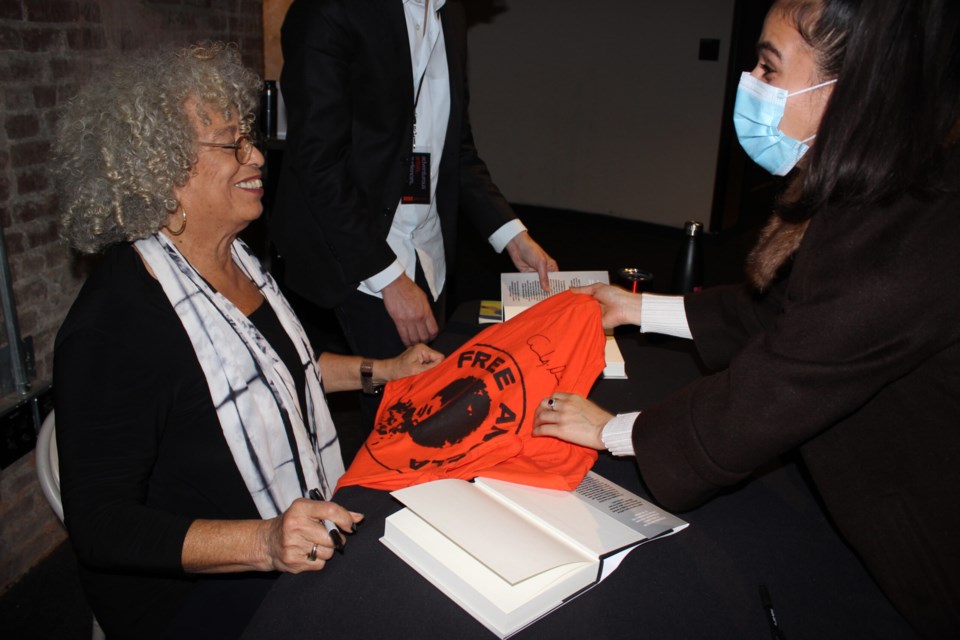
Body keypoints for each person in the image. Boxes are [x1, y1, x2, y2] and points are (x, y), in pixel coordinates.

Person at [533, 0, 960, 636]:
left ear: (852, 90)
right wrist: (637, 307)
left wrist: (619, 432)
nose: (751, 86)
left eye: (768, 68)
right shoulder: (877, 187)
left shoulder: (905, 230)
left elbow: (785, 379)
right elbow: (786, 315)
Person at [52, 43, 442, 639]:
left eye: (249, 140)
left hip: (282, 529)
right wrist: (263, 540)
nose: (257, 154)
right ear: (161, 166)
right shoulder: (114, 324)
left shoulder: (236, 259)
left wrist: (384, 370)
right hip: (191, 595)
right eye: (232, 145)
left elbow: (289, 368)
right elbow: (103, 526)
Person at [271, 0, 557, 361]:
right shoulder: (329, 9)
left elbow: (457, 151)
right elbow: (318, 164)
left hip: (428, 253)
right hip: (356, 256)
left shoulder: (451, 13)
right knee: (397, 409)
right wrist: (390, 278)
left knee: (433, 397)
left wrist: (514, 237)